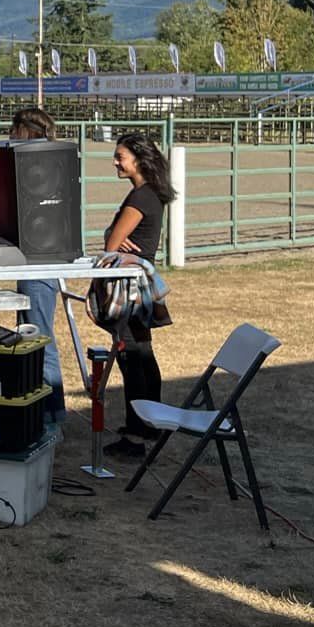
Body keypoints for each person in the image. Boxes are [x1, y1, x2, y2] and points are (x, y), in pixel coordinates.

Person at [100, 131, 177, 459]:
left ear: (139, 159)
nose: (115, 161)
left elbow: (110, 244)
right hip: (140, 281)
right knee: (143, 354)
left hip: (130, 285)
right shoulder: (151, 194)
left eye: (121, 156)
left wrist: (111, 234)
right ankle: (148, 424)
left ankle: (136, 435)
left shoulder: (139, 198)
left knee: (132, 357)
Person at [6, 107, 66, 426]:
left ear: (25, 131)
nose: (10, 137)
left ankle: (52, 414)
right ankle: (41, 410)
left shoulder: (44, 169)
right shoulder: (43, 167)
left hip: (41, 263)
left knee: (40, 337)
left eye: (14, 131)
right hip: (33, 261)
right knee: (31, 335)